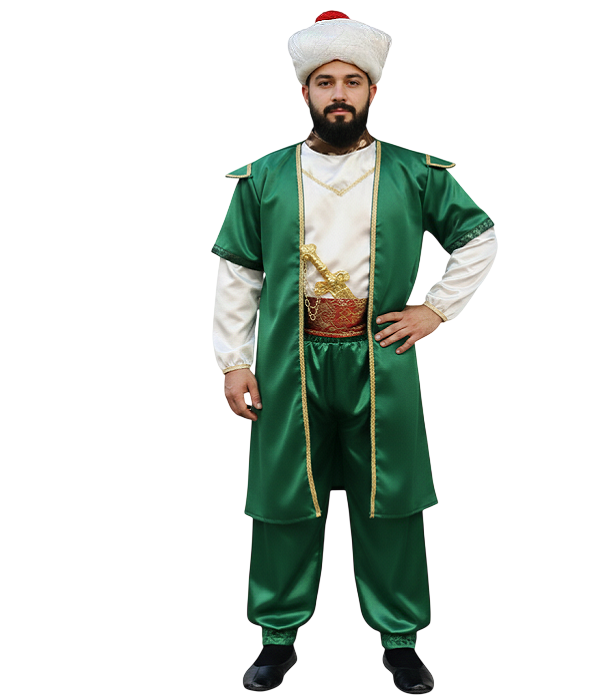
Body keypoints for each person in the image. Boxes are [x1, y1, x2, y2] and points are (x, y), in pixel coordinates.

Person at [211, 11, 497, 694]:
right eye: (325, 82)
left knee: (388, 499)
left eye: (351, 82)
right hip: (289, 362)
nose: (338, 94)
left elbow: (478, 236)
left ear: (371, 90)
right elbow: (239, 273)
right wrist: (234, 360)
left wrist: (434, 309)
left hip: (380, 361)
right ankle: (276, 637)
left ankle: (401, 640)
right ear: (305, 92)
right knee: (285, 500)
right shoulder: (264, 177)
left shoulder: (415, 173)